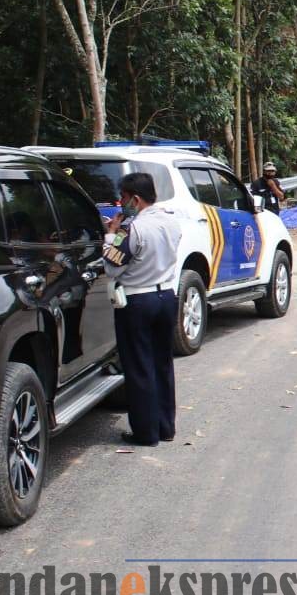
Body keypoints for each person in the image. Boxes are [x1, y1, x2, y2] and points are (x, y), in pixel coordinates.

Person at [103, 172, 183, 446]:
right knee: (162, 363)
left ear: (135, 199)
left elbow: (112, 266)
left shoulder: (131, 229)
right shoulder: (172, 223)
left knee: (139, 367)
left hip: (137, 301)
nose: (121, 203)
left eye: (123, 198)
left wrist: (110, 235)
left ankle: (145, 433)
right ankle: (165, 426)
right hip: (166, 297)